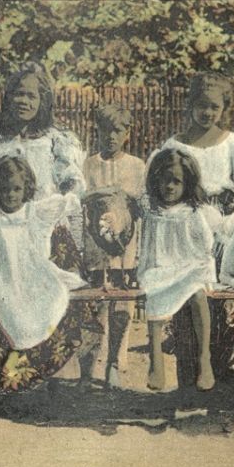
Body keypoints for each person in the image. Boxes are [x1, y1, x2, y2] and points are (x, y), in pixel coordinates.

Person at [0, 155, 92, 390]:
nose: (11, 195)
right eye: (5, 189)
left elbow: (65, 203)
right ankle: (15, 369)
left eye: (17, 189)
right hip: (6, 278)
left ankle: (41, 367)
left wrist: (73, 194)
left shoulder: (34, 212)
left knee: (53, 301)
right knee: (11, 311)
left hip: (36, 274)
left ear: (26, 188)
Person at [135, 149, 234, 392]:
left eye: (177, 181)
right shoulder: (152, 211)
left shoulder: (195, 212)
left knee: (198, 294)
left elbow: (217, 234)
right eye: (165, 180)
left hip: (190, 267)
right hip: (160, 268)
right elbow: (144, 240)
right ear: (156, 180)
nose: (170, 187)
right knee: (155, 296)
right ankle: (155, 360)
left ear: (188, 183)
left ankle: (204, 358)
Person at [0, 62, 87, 276]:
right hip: (8, 227)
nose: (24, 101)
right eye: (19, 94)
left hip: (48, 229)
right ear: (9, 98)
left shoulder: (55, 140)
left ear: (42, 101)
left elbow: (74, 183)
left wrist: (58, 209)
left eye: (31, 96)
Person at [148, 73, 234, 224]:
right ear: (191, 105)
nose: (208, 113)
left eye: (215, 107)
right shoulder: (175, 145)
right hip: (183, 221)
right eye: (202, 105)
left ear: (224, 108)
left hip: (223, 220)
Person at [80, 104, 145, 388]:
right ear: (97, 130)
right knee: (94, 303)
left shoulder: (137, 166)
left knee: (122, 303)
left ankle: (114, 364)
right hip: (95, 246)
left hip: (125, 248)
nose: (111, 136)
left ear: (127, 133)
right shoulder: (88, 165)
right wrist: (99, 194)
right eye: (106, 130)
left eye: (118, 130)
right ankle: (88, 366)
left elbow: (142, 205)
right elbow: (80, 199)